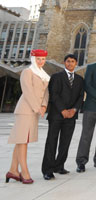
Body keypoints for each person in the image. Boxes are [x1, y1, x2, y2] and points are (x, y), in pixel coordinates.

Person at [6, 49, 49, 184]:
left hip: (35, 111)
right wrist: (37, 108)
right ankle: (24, 172)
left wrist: (43, 106)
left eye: (42, 59)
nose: (40, 61)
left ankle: (13, 170)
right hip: (25, 110)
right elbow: (27, 91)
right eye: (38, 59)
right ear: (33, 59)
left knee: (21, 140)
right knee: (22, 141)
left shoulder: (43, 74)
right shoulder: (27, 72)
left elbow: (45, 92)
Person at [41, 54, 84, 180]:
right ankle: (47, 170)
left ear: (76, 63)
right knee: (51, 142)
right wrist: (63, 110)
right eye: (68, 61)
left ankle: (59, 166)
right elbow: (54, 94)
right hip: (56, 115)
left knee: (65, 143)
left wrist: (74, 110)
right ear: (64, 63)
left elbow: (81, 97)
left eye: (72, 61)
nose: (70, 63)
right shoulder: (56, 77)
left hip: (71, 116)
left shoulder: (80, 80)